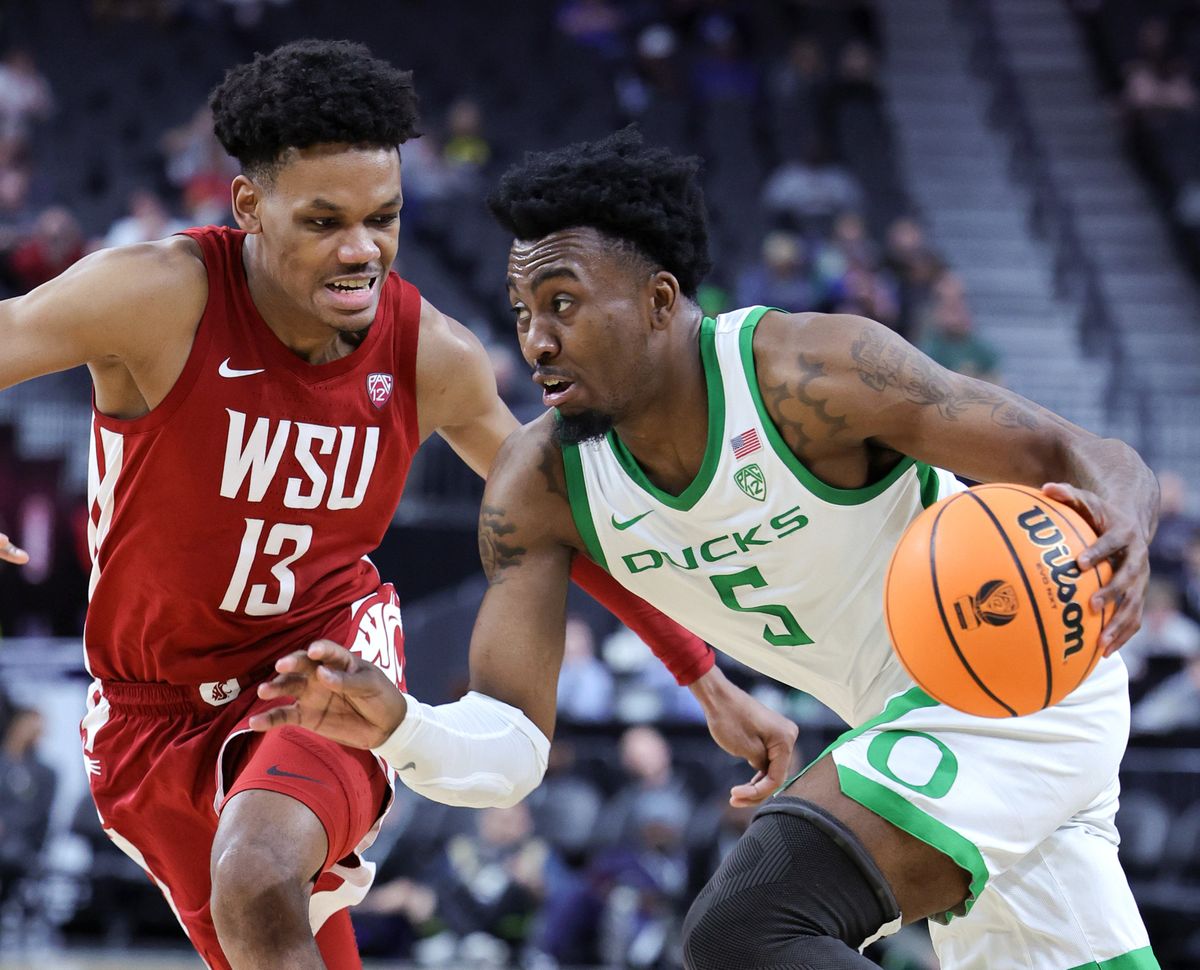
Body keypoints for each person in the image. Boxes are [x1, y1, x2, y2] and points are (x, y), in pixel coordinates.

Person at [254, 128, 1162, 970]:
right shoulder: (541, 485)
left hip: (1019, 684)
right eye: (523, 308)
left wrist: (1125, 521)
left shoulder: (810, 374)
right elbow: (514, 746)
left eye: (563, 301)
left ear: (658, 301)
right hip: (902, 716)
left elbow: (1085, 456)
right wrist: (407, 725)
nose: (534, 339)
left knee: (753, 923)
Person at [0, 49, 797, 970]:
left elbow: (568, 522)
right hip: (151, 713)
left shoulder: (431, 355)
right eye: (325, 220)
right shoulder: (157, 296)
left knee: (258, 869)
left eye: (383, 219)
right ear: (250, 209)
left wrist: (703, 678)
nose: (361, 249)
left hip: (326, 666)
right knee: (272, 927)